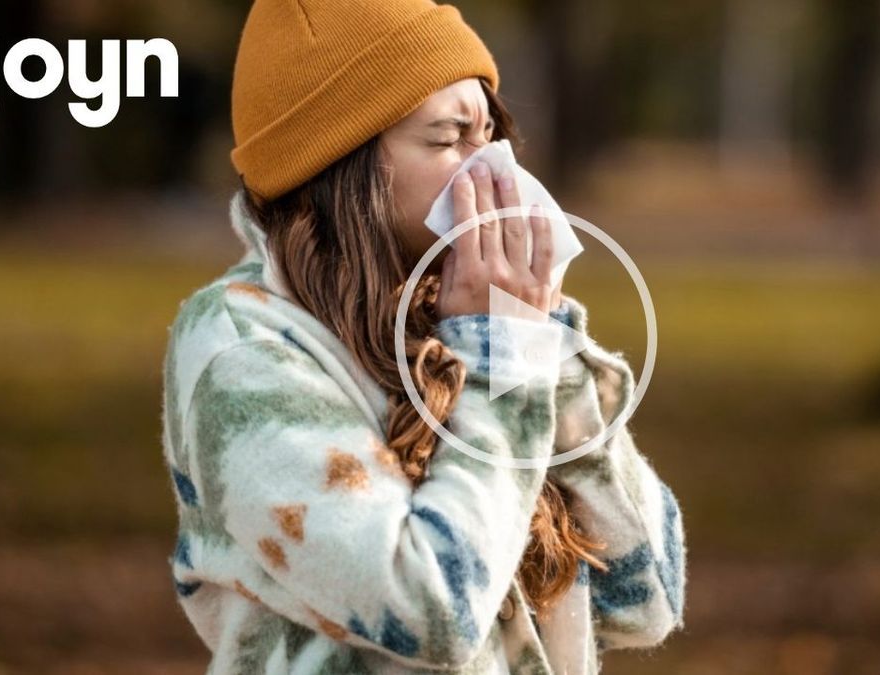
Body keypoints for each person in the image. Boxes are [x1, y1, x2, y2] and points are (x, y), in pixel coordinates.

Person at [160, 1, 686, 672]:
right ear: (339, 165)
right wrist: (499, 364)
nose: (491, 169)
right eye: (446, 138)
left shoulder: (465, 320)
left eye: (490, 134)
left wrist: (545, 350)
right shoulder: (242, 347)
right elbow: (430, 608)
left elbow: (643, 600)